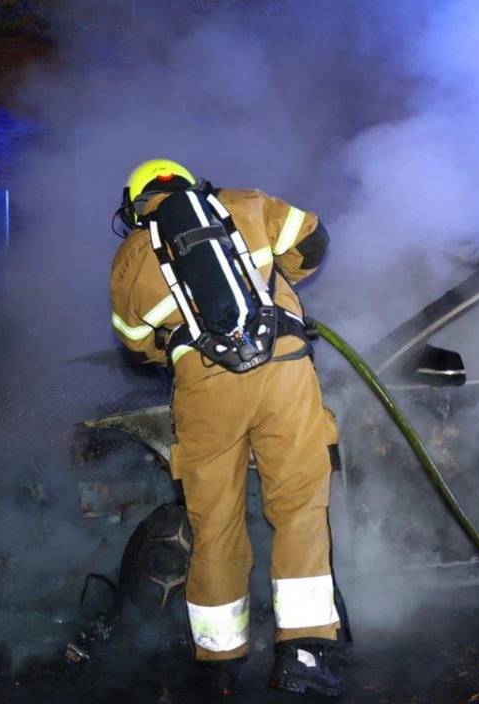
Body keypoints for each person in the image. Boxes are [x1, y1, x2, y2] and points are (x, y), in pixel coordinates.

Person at [109, 159, 340, 697]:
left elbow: (136, 343)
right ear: (191, 185)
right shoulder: (245, 202)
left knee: (213, 523)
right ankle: (303, 657)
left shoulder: (130, 258)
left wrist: (185, 345)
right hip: (285, 369)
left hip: (206, 386)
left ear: (136, 205)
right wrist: (276, 283)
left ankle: (217, 666)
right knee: (300, 508)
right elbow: (314, 240)